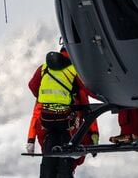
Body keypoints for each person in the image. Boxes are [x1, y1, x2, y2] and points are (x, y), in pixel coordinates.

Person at [28, 47, 97, 178]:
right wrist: (94, 134)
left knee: (49, 155)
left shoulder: (44, 68)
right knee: (68, 152)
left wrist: (30, 139)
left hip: (46, 120)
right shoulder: (75, 70)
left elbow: (32, 86)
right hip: (66, 122)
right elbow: (88, 100)